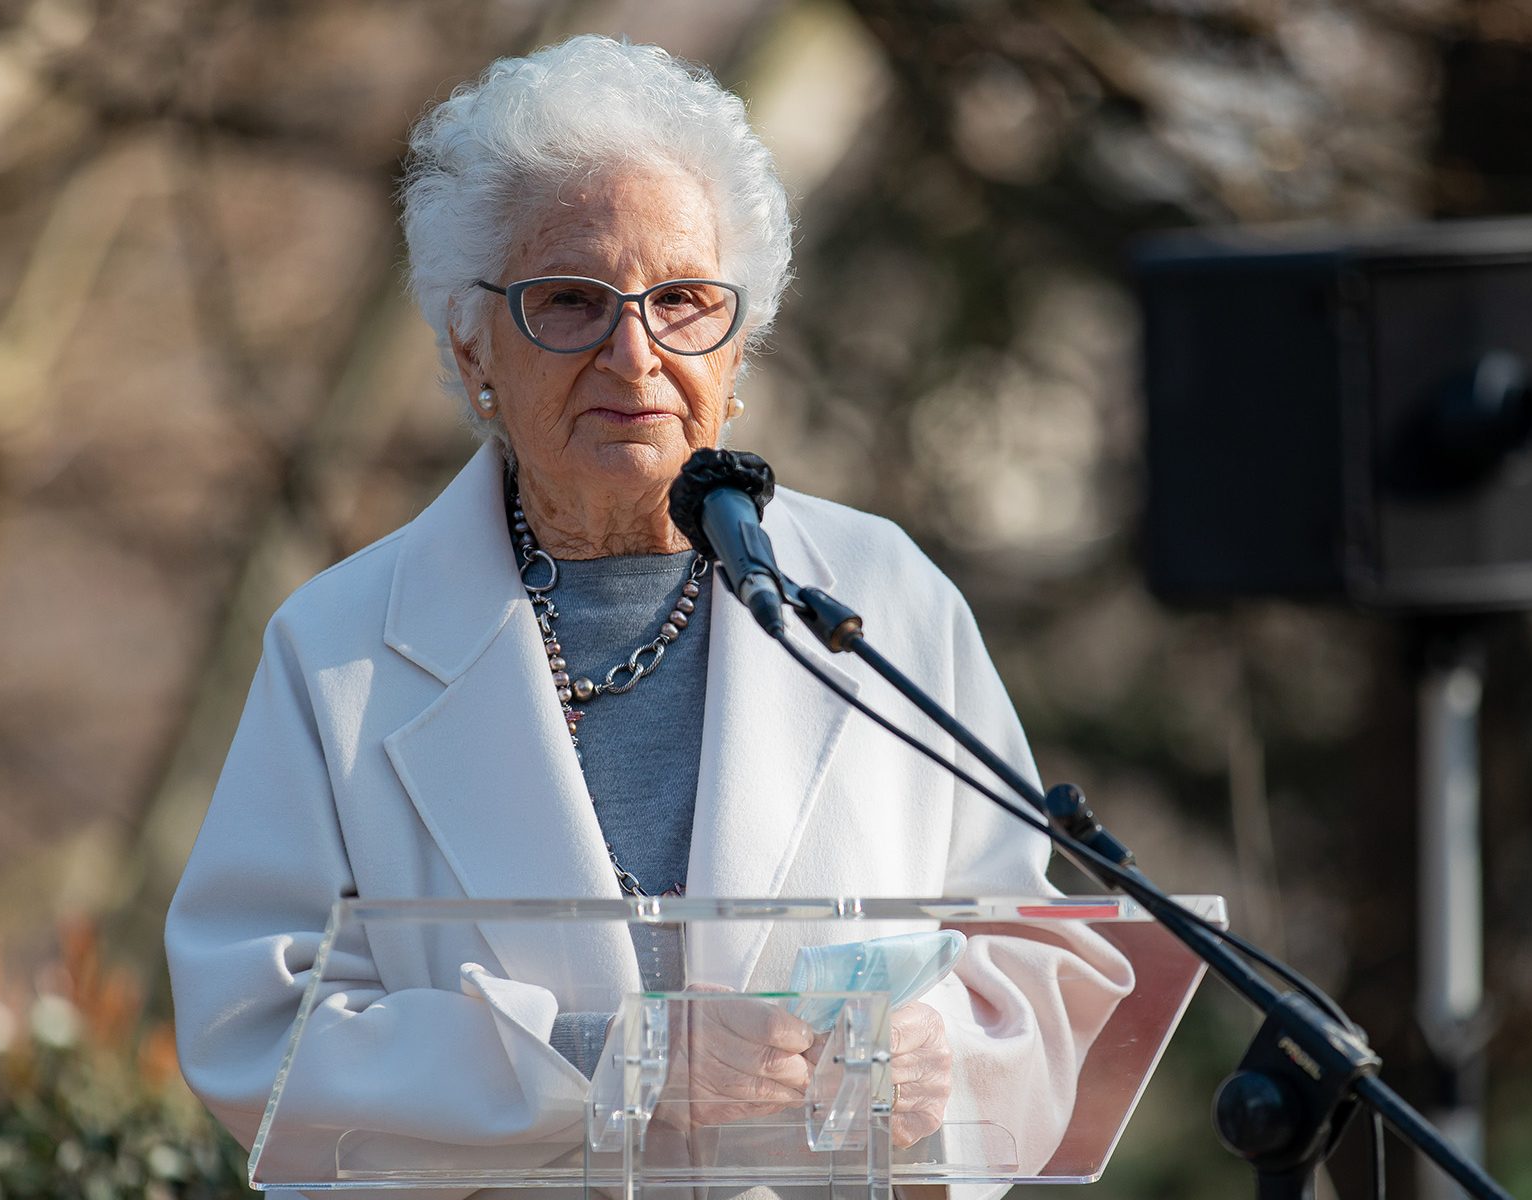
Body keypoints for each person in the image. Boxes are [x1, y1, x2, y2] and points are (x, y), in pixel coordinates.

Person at [164, 35, 1131, 1187]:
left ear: (739, 347)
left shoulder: (883, 600)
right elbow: (255, 1037)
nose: (635, 353)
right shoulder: (338, 648)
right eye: (569, 302)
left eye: (683, 301)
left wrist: (949, 1061)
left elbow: (1028, 964)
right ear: (473, 346)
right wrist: (606, 1062)